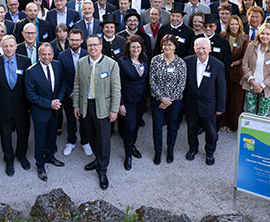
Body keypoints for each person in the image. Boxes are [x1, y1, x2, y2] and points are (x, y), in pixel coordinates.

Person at [73, 34, 121, 190]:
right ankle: (97, 158)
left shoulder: (111, 64)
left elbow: (116, 89)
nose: (92, 48)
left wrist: (114, 109)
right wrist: (76, 105)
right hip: (86, 106)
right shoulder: (81, 63)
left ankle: (102, 169)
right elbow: (77, 85)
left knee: (103, 140)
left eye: (95, 45)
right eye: (90, 45)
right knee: (91, 135)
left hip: (103, 108)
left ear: (101, 46)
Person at [0, 35, 32, 176]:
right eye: (5, 46)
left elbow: (29, 86)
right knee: (5, 136)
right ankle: (9, 159)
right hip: (2, 108)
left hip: (22, 107)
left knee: (23, 134)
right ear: (1, 46)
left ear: (16, 46)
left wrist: (30, 105)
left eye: (11, 46)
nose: (8, 49)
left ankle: (21, 155)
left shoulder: (25, 61)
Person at [25, 43, 66, 181]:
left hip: (55, 110)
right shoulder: (31, 71)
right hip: (40, 112)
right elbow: (30, 95)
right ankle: (40, 165)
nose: (46, 57)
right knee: (40, 140)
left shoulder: (57, 65)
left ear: (53, 54)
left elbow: (62, 84)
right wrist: (49, 104)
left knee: (52, 136)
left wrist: (58, 100)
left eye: (49, 54)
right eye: (44, 54)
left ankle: (50, 157)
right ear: (39, 55)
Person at [184, 38, 226, 165]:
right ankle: (193, 149)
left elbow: (221, 88)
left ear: (209, 49)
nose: (201, 51)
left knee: (211, 131)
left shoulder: (218, 65)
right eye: (198, 48)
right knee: (191, 129)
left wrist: (220, 107)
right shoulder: (187, 61)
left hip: (209, 105)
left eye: (204, 48)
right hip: (191, 103)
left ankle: (210, 152)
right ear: (194, 48)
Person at [149, 34, 187, 164]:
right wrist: (161, 99)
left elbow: (181, 85)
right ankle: (158, 151)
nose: (167, 47)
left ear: (175, 47)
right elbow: (152, 81)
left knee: (172, 126)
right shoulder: (155, 60)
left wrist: (168, 101)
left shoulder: (181, 63)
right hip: (157, 100)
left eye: (170, 44)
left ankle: (170, 150)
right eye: (164, 44)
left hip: (174, 101)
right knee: (157, 126)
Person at [58, 29, 93, 158]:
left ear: (82, 41)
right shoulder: (62, 56)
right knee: (70, 118)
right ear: (68, 40)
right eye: (72, 40)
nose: (75, 42)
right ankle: (71, 141)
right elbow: (61, 78)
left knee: (84, 119)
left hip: (84, 94)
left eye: (77, 40)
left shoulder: (87, 54)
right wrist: (71, 93)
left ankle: (85, 141)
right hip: (69, 95)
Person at [118, 35, 149, 170]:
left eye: (138, 47)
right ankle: (128, 154)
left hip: (141, 100)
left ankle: (132, 145)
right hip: (128, 100)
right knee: (129, 127)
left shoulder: (145, 59)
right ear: (129, 48)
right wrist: (120, 103)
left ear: (141, 48)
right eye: (133, 47)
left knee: (136, 126)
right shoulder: (122, 62)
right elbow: (117, 84)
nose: (136, 49)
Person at [240, 23, 270, 117]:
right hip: (251, 84)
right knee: (250, 113)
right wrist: (252, 82)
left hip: (267, 87)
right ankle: (250, 131)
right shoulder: (251, 46)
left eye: (267, 34)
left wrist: (262, 85)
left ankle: (258, 131)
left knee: (262, 115)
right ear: (259, 34)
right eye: (262, 33)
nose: (265, 36)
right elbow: (245, 64)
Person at [223, 15, 249, 131]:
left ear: (240, 26)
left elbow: (246, 57)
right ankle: (222, 123)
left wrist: (233, 63)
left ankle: (233, 125)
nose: (234, 26)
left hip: (237, 73)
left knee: (236, 101)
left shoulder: (245, 38)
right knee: (224, 98)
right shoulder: (223, 36)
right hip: (224, 72)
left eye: (236, 24)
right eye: (232, 24)